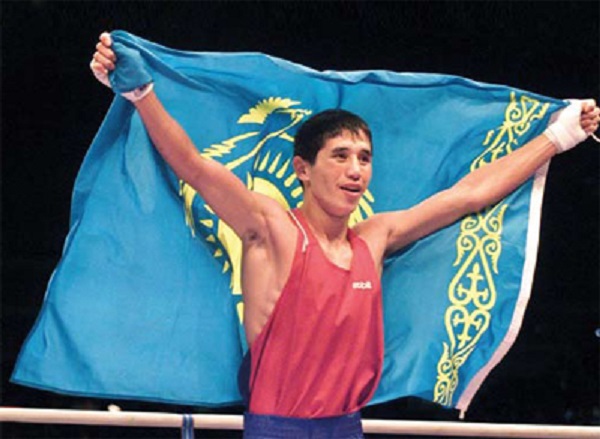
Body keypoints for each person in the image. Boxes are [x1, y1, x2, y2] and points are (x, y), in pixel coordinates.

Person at [90, 32, 599, 438]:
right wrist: (142, 93)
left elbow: (468, 195)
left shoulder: (374, 238)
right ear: (303, 170)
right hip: (276, 430)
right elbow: (193, 166)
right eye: (340, 156)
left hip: (347, 428)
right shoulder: (271, 228)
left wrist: (557, 137)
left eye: (364, 158)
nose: (356, 170)